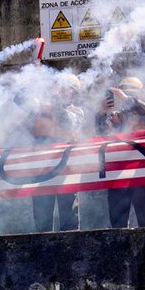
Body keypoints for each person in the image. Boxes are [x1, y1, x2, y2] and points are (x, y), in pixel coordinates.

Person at [95, 75, 145, 228]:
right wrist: (102, 113)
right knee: (118, 222)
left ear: (140, 94)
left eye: (132, 93)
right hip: (118, 168)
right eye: (125, 92)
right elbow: (101, 133)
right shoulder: (114, 115)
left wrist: (128, 99)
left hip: (141, 168)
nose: (128, 96)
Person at [28, 74, 85, 232]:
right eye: (59, 89)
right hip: (42, 167)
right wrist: (33, 77)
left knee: (69, 216)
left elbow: (68, 124)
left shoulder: (77, 112)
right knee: (42, 216)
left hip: (66, 168)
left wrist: (56, 104)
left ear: (73, 93)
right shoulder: (42, 108)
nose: (61, 92)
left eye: (65, 90)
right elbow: (21, 100)